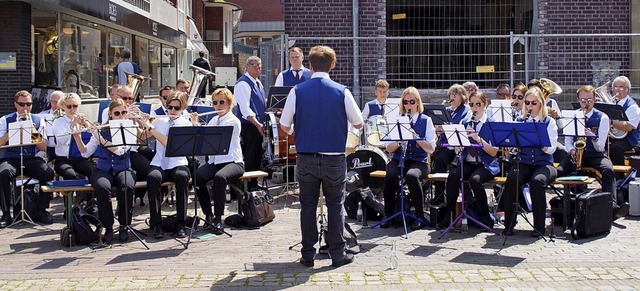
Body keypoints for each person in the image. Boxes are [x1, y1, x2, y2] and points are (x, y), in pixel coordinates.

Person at [280, 45, 363, 268]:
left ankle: (307, 254)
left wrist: (298, 129)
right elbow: (359, 122)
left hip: (306, 156)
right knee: (336, 205)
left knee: (307, 206)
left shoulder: (297, 91)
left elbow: (284, 126)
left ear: (310, 65)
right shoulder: (342, 91)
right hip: (334, 157)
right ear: (332, 66)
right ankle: (337, 253)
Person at [559, 85, 629, 218]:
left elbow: (601, 147)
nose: (586, 103)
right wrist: (572, 150)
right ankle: (565, 206)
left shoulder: (602, 117)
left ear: (594, 99)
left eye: (589, 100)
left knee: (608, 170)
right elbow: (568, 141)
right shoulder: (572, 116)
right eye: (583, 100)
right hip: (576, 154)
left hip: (595, 154)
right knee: (559, 171)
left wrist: (593, 137)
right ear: (578, 100)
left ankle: (612, 207)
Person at [502, 87, 558, 237]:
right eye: (527, 103)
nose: (530, 106)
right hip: (525, 162)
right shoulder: (520, 121)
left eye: (534, 103)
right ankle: (509, 223)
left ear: (541, 103)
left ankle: (539, 227)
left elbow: (552, 149)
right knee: (512, 179)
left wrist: (541, 141)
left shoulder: (548, 121)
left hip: (544, 163)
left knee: (537, 182)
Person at [440, 92, 499, 230]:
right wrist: (458, 143)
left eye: (478, 104)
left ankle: (485, 216)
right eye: (472, 104)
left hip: (486, 165)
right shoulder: (465, 122)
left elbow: (493, 152)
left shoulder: (491, 123)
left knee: (475, 180)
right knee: (453, 176)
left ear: (485, 105)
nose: (474, 108)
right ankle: (450, 216)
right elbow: (458, 150)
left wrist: (479, 139)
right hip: (468, 162)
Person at [379, 86, 436, 231]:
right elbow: (388, 148)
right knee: (390, 174)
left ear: (418, 102)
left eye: (411, 102)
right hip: (400, 159)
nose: (408, 105)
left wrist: (416, 137)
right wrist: (399, 141)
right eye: (406, 102)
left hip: (419, 161)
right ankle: (388, 214)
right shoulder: (398, 120)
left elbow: (431, 148)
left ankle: (419, 215)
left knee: (411, 176)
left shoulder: (426, 120)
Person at [141, 91, 192, 239]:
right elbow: (142, 137)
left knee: (182, 177)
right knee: (152, 177)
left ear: (182, 108)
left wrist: (151, 128)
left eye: (176, 108)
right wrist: (142, 123)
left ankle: (181, 223)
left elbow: (168, 143)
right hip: (159, 162)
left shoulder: (185, 123)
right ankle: (156, 224)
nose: (172, 111)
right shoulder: (160, 120)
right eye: (170, 107)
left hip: (178, 162)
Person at [0, 90, 55, 227]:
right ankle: (6, 213)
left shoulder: (38, 120)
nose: (25, 108)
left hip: (30, 158)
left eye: (29, 104)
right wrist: (11, 132)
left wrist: (32, 130)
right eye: (22, 104)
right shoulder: (4, 120)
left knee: (47, 172)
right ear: (15, 105)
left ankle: (42, 210)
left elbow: (43, 148)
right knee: (2, 174)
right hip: (11, 158)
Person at [194, 88, 245, 235]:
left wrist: (197, 125)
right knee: (197, 176)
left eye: (221, 102)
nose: (218, 105)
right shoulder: (214, 119)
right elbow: (203, 140)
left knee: (219, 178)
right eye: (215, 102)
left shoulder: (233, 121)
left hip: (234, 162)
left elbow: (212, 137)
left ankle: (218, 218)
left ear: (230, 104)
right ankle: (208, 214)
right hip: (216, 162)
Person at [86, 99, 137, 244]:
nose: (120, 116)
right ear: (110, 114)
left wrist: (99, 137)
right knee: (102, 187)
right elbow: (85, 152)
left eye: (123, 112)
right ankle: (107, 227)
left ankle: (124, 225)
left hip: (124, 168)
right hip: (103, 169)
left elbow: (120, 151)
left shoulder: (129, 128)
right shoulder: (102, 129)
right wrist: (77, 136)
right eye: (117, 113)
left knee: (126, 186)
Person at [431, 84, 471, 205]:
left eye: (456, 94)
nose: (452, 96)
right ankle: (439, 194)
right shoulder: (446, 110)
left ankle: (466, 198)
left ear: (462, 97)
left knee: (457, 169)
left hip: (460, 146)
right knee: (439, 161)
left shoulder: (466, 110)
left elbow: (463, 126)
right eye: (451, 94)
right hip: (446, 145)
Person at [234, 56, 266, 190]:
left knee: (258, 154)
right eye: (254, 65)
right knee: (250, 155)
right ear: (246, 67)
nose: (257, 68)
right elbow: (245, 108)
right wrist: (257, 124)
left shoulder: (258, 82)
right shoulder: (243, 83)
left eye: (259, 65)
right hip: (249, 126)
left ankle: (254, 183)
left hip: (258, 124)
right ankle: (247, 185)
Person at [51, 93, 94, 185]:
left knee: (92, 171)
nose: (72, 109)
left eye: (75, 106)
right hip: (63, 159)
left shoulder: (81, 120)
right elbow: (61, 141)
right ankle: (73, 198)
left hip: (80, 158)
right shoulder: (58, 122)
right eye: (69, 106)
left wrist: (86, 125)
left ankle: (90, 198)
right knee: (70, 175)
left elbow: (93, 137)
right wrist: (72, 125)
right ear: (63, 107)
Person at [608, 76, 640, 167]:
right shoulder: (611, 102)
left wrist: (610, 122)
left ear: (627, 90)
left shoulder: (632, 107)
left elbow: (628, 127)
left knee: (615, 148)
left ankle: (619, 177)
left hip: (628, 138)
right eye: (615, 87)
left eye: (621, 87)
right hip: (613, 135)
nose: (617, 90)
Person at [40, 90, 64, 162]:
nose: (57, 105)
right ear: (50, 102)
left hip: (63, 148)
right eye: (55, 102)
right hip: (48, 148)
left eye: (60, 102)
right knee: (39, 161)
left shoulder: (68, 116)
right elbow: (36, 136)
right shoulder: (42, 115)